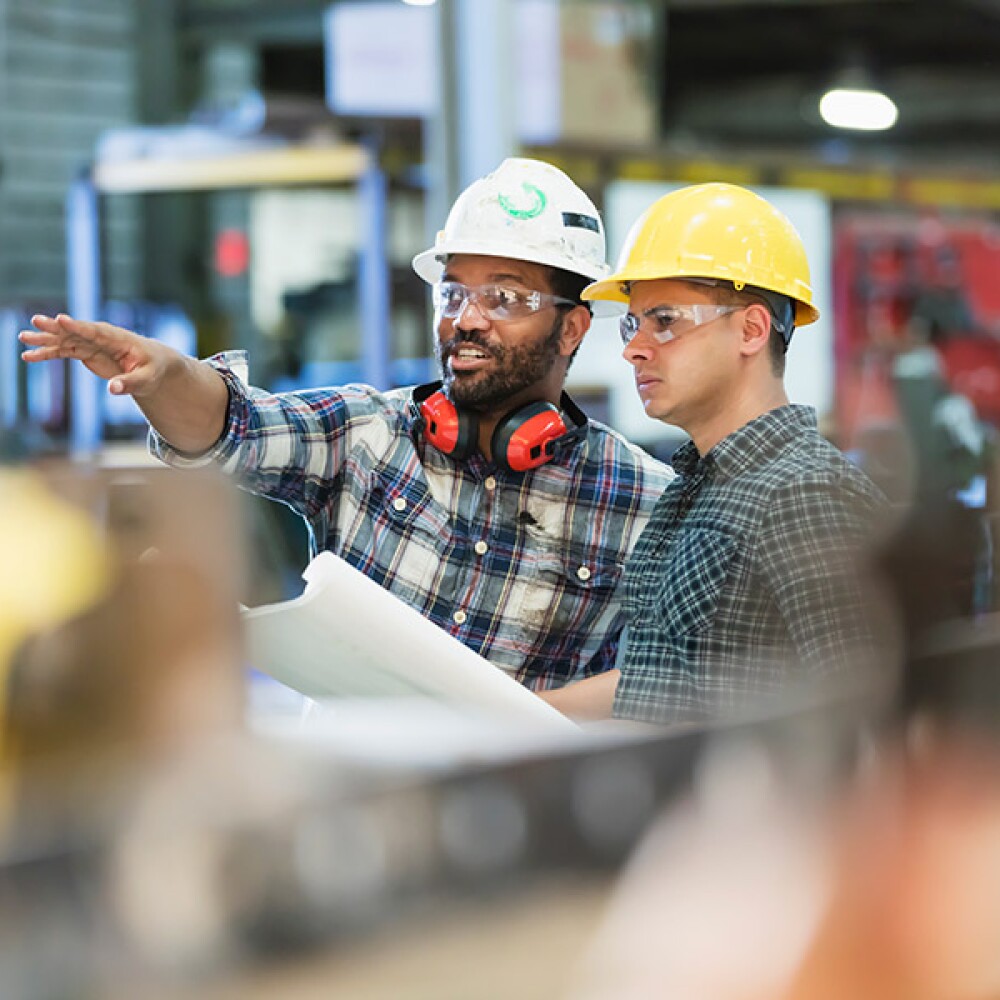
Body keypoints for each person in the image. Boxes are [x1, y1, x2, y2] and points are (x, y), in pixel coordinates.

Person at [20, 158, 672, 691]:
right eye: (453, 293)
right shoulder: (367, 434)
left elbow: (655, 691)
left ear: (575, 325)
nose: (466, 319)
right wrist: (163, 376)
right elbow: (231, 424)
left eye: (503, 297)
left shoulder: (644, 501)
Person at [541, 182, 897, 724]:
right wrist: (502, 712)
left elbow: (878, 715)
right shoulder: (692, 490)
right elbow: (655, 682)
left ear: (751, 330)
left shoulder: (806, 496)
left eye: (666, 321)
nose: (634, 348)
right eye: (635, 323)